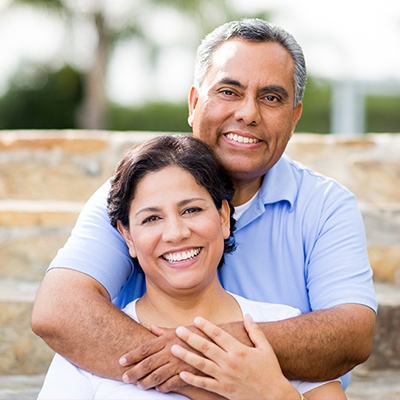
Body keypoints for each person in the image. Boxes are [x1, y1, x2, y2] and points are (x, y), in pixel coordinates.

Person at [31, 18, 377, 396]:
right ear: (195, 103)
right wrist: (203, 375)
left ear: (294, 116)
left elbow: (351, 334)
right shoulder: (134, 192)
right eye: (229, 91)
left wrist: (204, 358)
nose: (248, 113)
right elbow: (59, 309)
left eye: (272, 97)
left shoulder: (326, 206)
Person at [37, 134, 346, 400]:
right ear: (127, 236)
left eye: (192, 210)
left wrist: (273, 393)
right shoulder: (89, 347)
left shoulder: (281, 326)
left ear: (223, 217)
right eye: (152, 218)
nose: (176, 233)